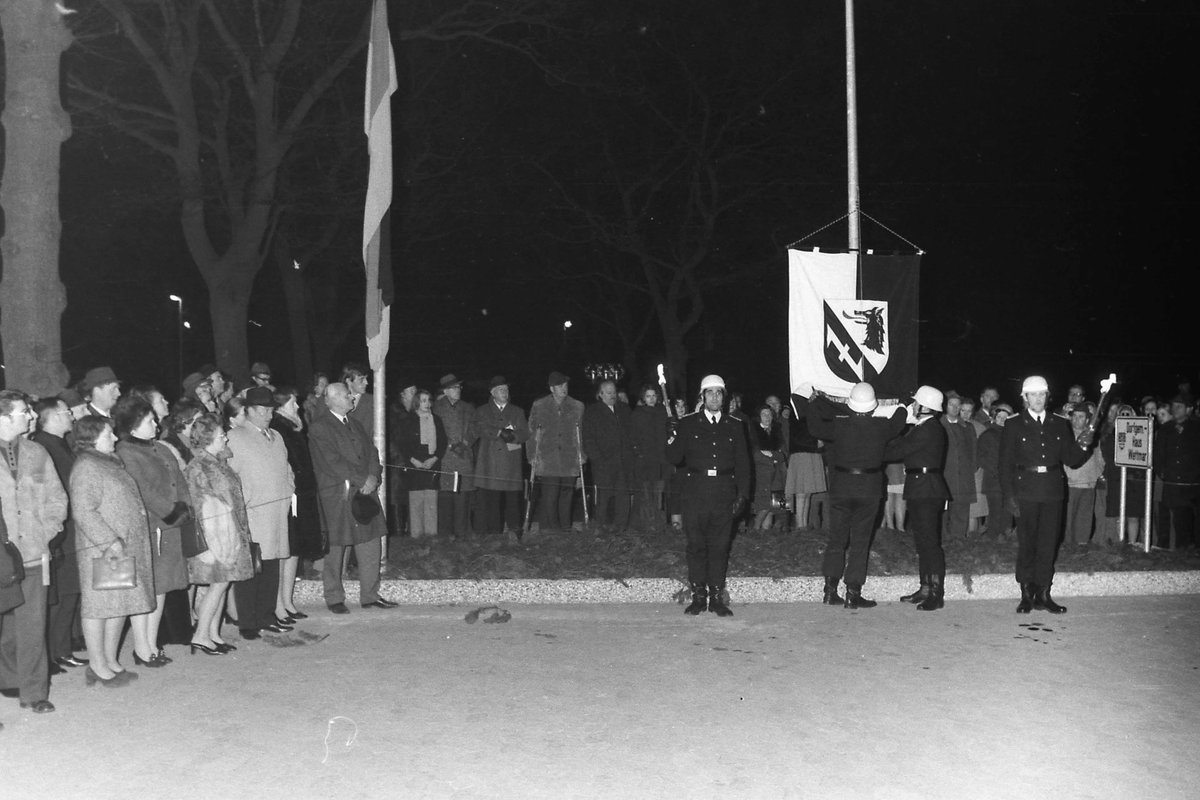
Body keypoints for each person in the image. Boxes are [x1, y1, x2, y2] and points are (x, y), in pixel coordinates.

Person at [801, 381, 906, 608]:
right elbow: (899, 422)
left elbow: (815, 428)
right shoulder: (881, 426)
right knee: (860, 542)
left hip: (841, 486)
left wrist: (813, 404)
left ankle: (830, 590)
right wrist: (905, 404)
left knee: (836, 540)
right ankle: (853, 593)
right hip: (868, 488)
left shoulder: (839, 426)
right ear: (872, 406)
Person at [69, 415, 153, 686]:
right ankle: (96, 665)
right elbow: (83, 511)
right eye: (109, 434)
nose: (115, 438)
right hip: (103, 549)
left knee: (119, 605)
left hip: (121, 545)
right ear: (92, 437)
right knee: (99, 608)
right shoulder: (87, 466)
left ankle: (110, 660)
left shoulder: (106, 461)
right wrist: (108, 541)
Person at [1000, 375, 1094, 614]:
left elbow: (1071, 460)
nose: (1038, 399)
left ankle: (1043, 593)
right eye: (1033, 394)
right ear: (1025, 398)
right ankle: (1026, 593)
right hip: (1025, 491)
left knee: (1047, 544)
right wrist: (1009, 496)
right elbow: (1005, 464)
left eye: (1042, 394)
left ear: (1047, 396)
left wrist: (1085, 444)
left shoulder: (1059, 423)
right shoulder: (1013, 424)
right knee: (1027, 544)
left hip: (1052, 491)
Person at [0, 391, 68, 712]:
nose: (31, 416)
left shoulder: (37, 451)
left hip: (33, 553)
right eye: (23, 412)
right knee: (7, 629)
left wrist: (46, 533)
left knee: (31, 624)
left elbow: (57, 500)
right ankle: (9, 677)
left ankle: (33, 692)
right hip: (1, 556)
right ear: (3, 417)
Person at [113, 396, 192, 667]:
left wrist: (185, 506)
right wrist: (171, 511)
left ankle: (152, 642)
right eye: (150, 421)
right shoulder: (126, 452)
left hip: (170, 529)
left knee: (163, 588)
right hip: (151, 529)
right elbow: (142, 489)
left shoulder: (161, 447)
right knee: (147, 589)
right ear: (134, 426)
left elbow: (179, 480)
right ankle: (141, 646)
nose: (156, 424)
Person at [666, 374, 750, 617]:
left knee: (720, 546)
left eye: (719, 392)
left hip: (724, 492)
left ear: (724, 396)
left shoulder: (734, 424)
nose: (715, 396)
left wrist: (742, 495)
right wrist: (672, 435)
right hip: (696, 493)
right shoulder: (689, 423)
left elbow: (743, 464)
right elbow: (674, 458)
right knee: (696, 546)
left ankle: (716, 598)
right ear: (702, 396)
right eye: (710, 392)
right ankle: (698, 597)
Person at [309, 382, 396, 613]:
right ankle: (334, 597)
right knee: (337, 546)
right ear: (332, 399)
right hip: (339, 495)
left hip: (364, 492)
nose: (352, 398)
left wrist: (374, 477)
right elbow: (331, 461)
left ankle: (370, 595)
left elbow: (373, 454)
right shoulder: (320, 427)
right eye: (347, 394)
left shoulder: (355, 424)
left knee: (370, 543)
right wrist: (361, 479)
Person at [227, 387, 295, 638]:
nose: (268, 414)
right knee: (252, 567)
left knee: (272, 565)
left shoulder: (276, 436)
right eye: (263, 410)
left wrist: (289, 488)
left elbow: (287, 468)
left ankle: (268, 616)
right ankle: (248, 622)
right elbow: (228, 474)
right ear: (249, 410)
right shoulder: (235, 436)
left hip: (277, 511)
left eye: (270, 409)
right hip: (253, 512)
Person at [184, 414, 255, 654]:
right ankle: (201, 635)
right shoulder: (199, 466)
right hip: (215, 537)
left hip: (229, 534)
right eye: (221, 434)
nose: (225, 437)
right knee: (218, 585)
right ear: (208, 439)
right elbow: (199, 506)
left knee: (223, 584)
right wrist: (211, 543)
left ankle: (213, 634)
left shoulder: (216, 462)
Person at [30, 398, 88, 674]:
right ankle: (55, 653)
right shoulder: (43, 446)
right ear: (52, 416)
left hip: (70, 527)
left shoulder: (59, 444)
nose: (71, 417)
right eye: (66, 412)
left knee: (69, 592)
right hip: (58, 532)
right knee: (60, 594)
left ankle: (63, 649)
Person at [884, 386, 950, 610]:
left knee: (929, 542)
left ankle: (936, 592)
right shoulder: (924, 427)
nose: (912, 406)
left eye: (915, 403)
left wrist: (878, 440)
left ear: (924, 407)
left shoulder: (927, 429)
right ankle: (925, 587)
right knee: (922, 542)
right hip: (920, 486)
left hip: (926, 488)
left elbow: (897, 451)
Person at [270, 386, 323, 619]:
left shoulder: (294, 426)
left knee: (295, 550)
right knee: (288, 548)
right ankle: (279, 604)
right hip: (292, 494)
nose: (298, 407)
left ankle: (288, 602)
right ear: (281, 406)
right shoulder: (279, 427)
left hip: (303, 493)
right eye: (293, 403)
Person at [527, 372, 585, 535]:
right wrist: (532, 455)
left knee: (567, 494)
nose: (563, 389)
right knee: (550, 495)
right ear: (552, 388)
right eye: (559, 386)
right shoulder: (539, 405)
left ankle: (566, 527)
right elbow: (531, 432)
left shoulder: (577, 406)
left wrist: (582, 457)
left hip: (569, 457)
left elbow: (581, 434)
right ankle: (552, 529)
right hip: (548, 457)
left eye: (565, 385)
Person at [473, 376, 529, 538]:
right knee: (493, 499)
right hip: (490, 461)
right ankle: (494, 533)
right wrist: (498, 432)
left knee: (512, 499)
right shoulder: (482, 411)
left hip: (511, 461)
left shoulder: (517, 411)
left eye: (506, 389)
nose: (505, 392)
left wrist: (514, 436)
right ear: (492, 393)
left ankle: (514, 531)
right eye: (501, 390)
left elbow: (525, 433)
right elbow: (478, 427)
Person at [583, 380, 634, 532]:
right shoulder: (592, 412)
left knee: (622, 497)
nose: (613, 395)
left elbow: (632, 433)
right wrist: (598, 459)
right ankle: (600, 528)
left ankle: (621, 528)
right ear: (600, 394)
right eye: (608, 392)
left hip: (623, 462)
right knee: (603, 497)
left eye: (614, 392)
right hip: (603, 463)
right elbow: (588, 439)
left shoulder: (623, 410)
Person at [397, 389, 447, 538]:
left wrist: (434, 458)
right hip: (415, 466)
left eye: (429, 400)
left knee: (431, 503)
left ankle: (431, 538)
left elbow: (443, 442)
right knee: (416, 503)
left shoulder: (437, 420)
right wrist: (414, 461)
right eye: (423, 400)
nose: (427, 404)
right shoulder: (408, 420)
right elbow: (403, 444)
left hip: (432, 464)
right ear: (417, 402)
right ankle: (416, 538)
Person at [432, 374, 476, 537]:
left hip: (464, 455)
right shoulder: (436, 408)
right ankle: (444, 533)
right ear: (446, 390)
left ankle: (462, 532)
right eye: (454, 388)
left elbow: (475, 428)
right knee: (445, 495)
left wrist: (465, 442)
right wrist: (448, 444)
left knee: (463, 495)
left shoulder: (468, 408)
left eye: (459, 387)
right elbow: (434, 430)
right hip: (445, 457)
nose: (458, 390)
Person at [1156, 393, 1200, 550]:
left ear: (1189, 409)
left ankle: (1189, 548)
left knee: (1189, 518)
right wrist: (1162, 472)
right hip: (1170, 481)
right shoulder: (1166, 429)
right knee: (1168, 515)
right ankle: (1168, 548)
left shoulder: (1196, 429)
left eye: (1179, 406)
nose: (1175, 409)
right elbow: (1158, 454)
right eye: (1173, 406)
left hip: (1191, 483)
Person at [629, 384, 669, 532]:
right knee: (646, 494)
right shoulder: (638, 414)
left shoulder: (662, 412)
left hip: (660, 459)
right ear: (643, 398)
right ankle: (646, 524)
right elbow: (633, 437)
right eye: (648, 396)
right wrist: (639, 453)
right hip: (645, 460)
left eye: (653, 396)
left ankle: (658, 524)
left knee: (658, 492)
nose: (651, 399)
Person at [1063, 402, 1103, 546]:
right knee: (1067, 518)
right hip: (1069, 483)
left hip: (1088, 483)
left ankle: (1081, 546)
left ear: (1087, 419)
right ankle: (1066, 546)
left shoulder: (1092, 436)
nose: (1076, 420)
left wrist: (1095, 475)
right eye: (1074, 416)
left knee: (1084, 518)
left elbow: (1099, 458)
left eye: (1081, 417)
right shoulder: (1065, 435)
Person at [785, 393, 827, 530]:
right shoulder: (797, 414)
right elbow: (797, 438)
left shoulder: (814, 413)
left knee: (808, 492)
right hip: (802, 454)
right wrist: (816, 443)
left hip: (812, 454)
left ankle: (803, 524)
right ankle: (799, 525)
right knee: (801, 493)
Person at [940, 391, 978, 540]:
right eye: (952, 405)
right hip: (944, 474)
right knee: (942, 509)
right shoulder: (939, 424)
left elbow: (973, 450)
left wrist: (972, 467)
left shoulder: (967, 427)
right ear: (945, 406)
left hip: (963, 476)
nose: (955, 408)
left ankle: (958, 538)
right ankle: (943, 537)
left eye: (958, 405)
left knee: (961, 508)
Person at [977, 403, 1014, 537]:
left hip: (1009, 480)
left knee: (1008, 509)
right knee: (996, 510)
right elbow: (981, 457)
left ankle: (1005, 534)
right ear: (994, 417)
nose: (1002, 419)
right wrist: (995, 471)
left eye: (1005, 417)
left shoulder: (1012, 435)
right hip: (994, 480)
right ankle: (994, 536)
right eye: (1000, 417)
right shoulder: (987, 435)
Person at [748, 404, 787, 530]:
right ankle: (754, 532)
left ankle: (772, 536)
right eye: (764, 414)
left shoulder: (777, 430)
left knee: (780, 507)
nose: (767, 417)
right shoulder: (752, 432)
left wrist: (772, 455)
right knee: (764, 506)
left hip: (778, 475)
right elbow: (755, 454)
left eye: (769, 414)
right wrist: (773, 458)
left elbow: (783, 454)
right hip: (762, 474)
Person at [343, 363, 375, 441]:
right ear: (349, 381)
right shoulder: (335, 400)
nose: (366, 382)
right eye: (361, 379)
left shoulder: (374, 402)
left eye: (366, 378)